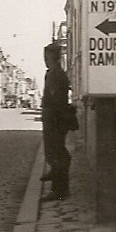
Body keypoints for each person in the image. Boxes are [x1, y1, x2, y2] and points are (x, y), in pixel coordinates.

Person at [41, 42, 71, 201]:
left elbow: (55, 99)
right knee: (56, 153)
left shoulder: (55, 74)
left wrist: (53, 118)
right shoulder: (54, 73)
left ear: (54, 57)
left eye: (47, 57)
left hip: (55, 120)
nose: (45, 60)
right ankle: (59, 186)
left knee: (56, 154)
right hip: (54, 118)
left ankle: (59, 190)